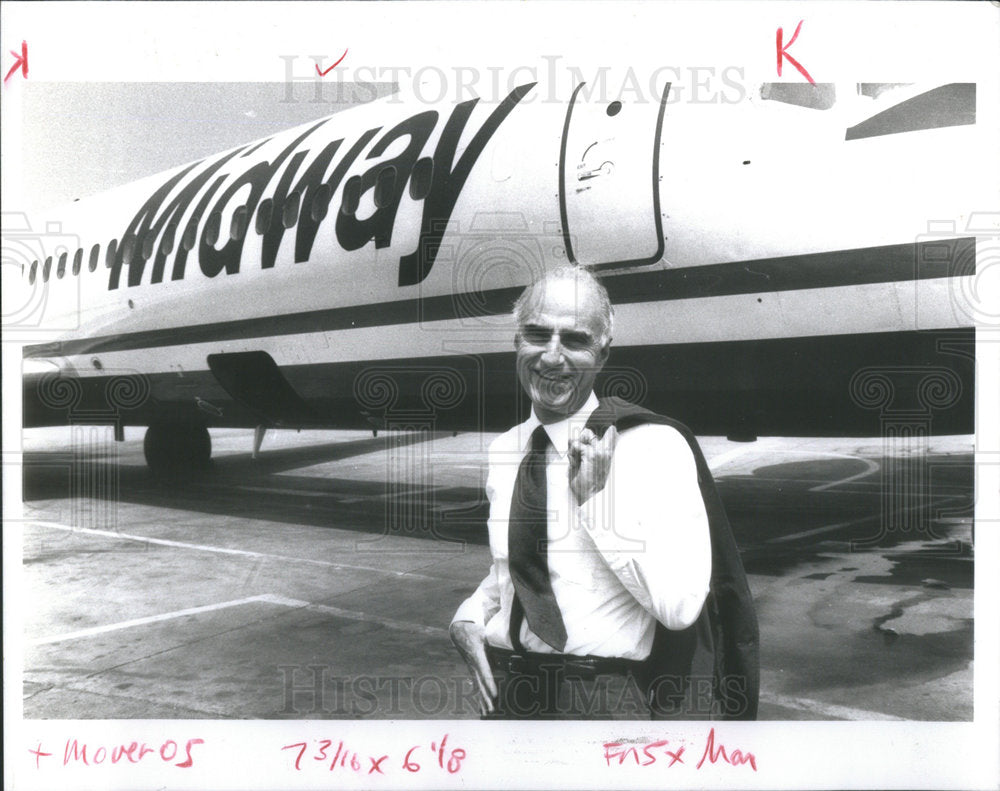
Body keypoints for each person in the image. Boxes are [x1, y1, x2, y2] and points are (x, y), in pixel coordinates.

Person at [450, 266, 732, 720]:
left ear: (603, 353)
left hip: (600, 699)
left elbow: (679, 607)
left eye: (575, 340)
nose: (551, 357)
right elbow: (517, 569)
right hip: (508, 695)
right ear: (515, 343)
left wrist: (596, 504)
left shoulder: (653, 446)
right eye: (537, 335)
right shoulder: (506, 449)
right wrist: (469, 616)